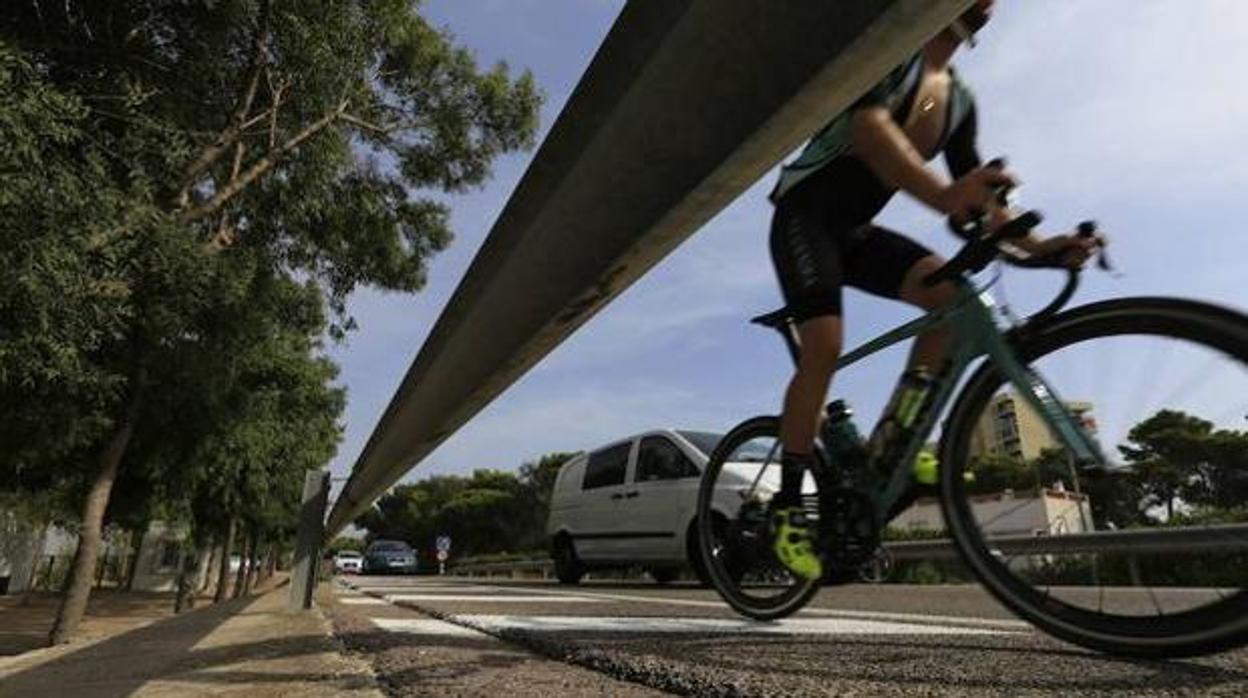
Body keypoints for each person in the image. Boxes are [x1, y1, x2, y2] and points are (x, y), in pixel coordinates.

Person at [766, 0, 1095, 579]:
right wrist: (946, 196)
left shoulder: (959, 103)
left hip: (856, 231)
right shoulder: (896, 60)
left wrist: (1045, 248)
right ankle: (789, 506)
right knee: (824, 345)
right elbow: (870, 131)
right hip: (806, 215)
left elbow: (984, 203)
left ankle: (889, 446)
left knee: (951, 300)